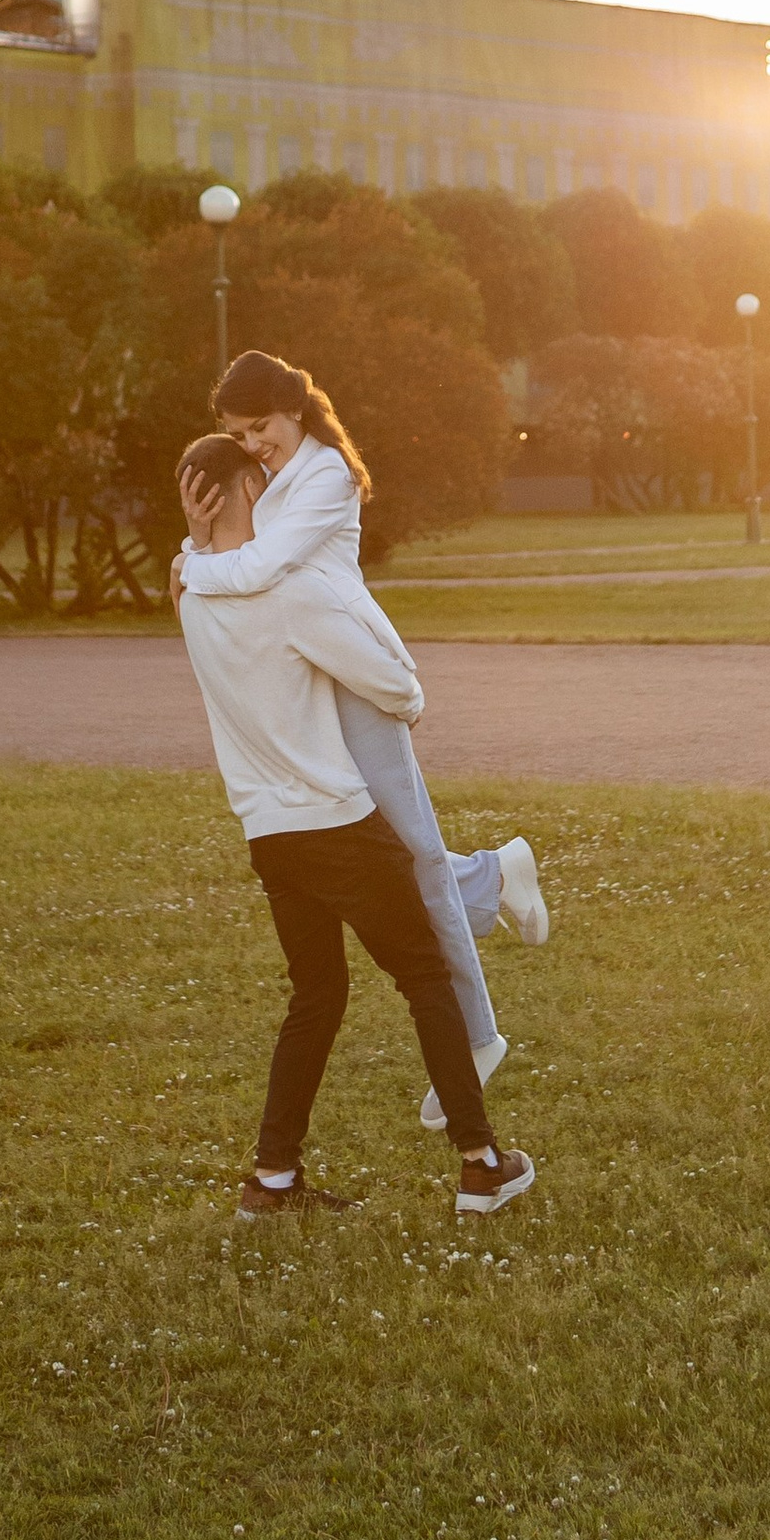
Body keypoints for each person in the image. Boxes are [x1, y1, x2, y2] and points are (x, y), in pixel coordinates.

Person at [176, 347, 551, 1126]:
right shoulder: (278, 472)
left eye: (260, 426)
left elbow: (262, 569)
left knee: (415, 859)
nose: (252, 444)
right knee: (402, 854)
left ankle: (478, 1033)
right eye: (239, 434)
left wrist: (188, 568)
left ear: (292, 408)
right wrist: (195, 548)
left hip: (356, 675)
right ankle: (496, 875)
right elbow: (248, 563)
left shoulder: (325, 475)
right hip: (321, 668)